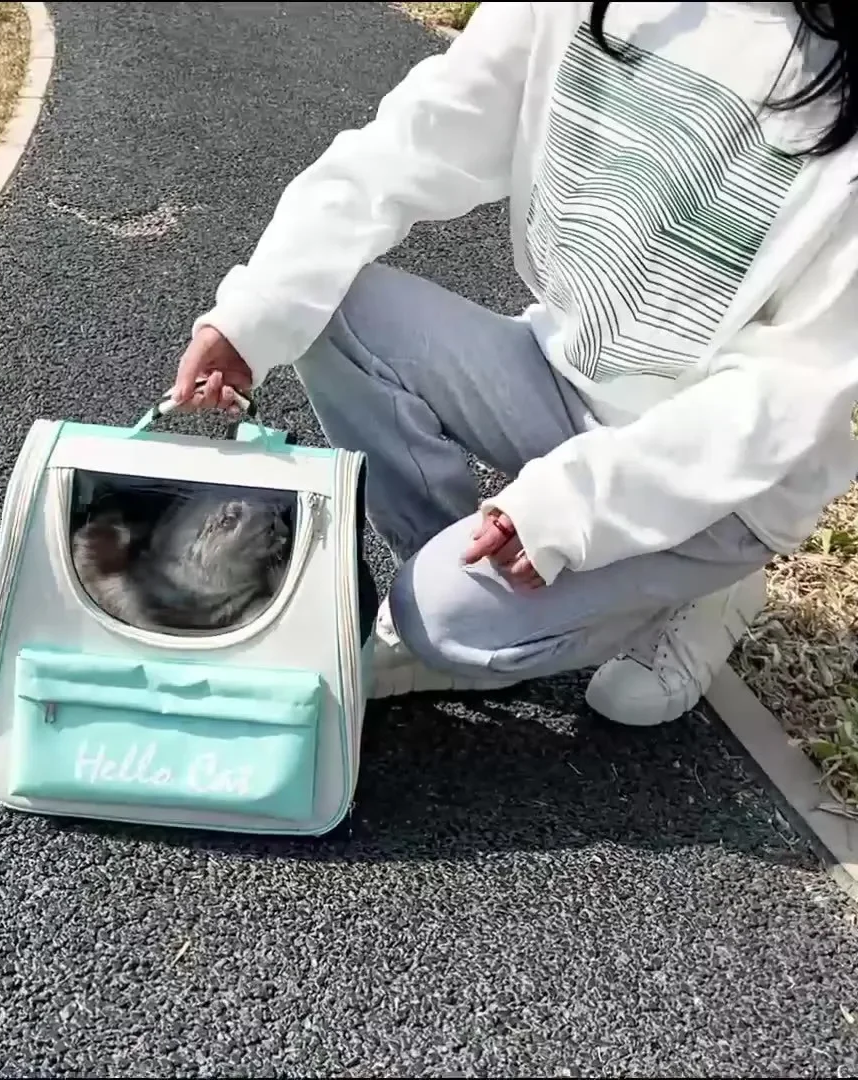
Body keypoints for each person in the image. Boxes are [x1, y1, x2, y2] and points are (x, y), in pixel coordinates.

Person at [171, 1, 858, 727]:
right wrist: (254, 313)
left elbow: (787, 390)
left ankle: (691, 586)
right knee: (329, 307)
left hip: (726, 481)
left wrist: (574, 507)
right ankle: (466, 572)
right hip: (566, 378)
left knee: (439, 620)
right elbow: (412, 142)